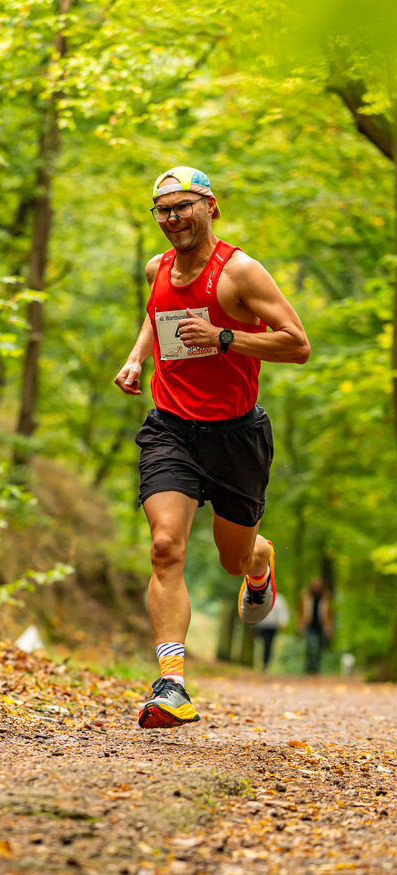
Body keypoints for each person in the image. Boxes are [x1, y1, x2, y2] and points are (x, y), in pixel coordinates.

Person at [114, 165, 310, 728]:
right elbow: (158, 316)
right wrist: (136, 357)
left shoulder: (240, 273)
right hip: (170, 428)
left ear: (210, 207)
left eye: (183, 206)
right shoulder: (157, 268)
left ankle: (259, 560)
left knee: (231, 558)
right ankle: (171, 684)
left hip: (236, 435)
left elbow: (297, 345)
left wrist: (227, 337)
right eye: (163, 210)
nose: (173, 218)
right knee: (165, 545)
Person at [297, 578, 334, 673]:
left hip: (322, 626)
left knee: (319, 649)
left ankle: (316, 670)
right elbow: (300, 611)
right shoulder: (306, 597)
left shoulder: (326, 598)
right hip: (309, 625)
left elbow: (330, 613)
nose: (317, 588)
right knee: (310, 647)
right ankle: (308, 669)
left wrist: (329, 627)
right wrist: (300, 624)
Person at [254, 592, 290, 670]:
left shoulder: (279, 599)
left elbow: (282, 612)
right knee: (260, 643)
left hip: (272, 627)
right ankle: (258, 661)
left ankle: (265, 663)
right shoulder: (260, 597)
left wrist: (283, 623)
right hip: (261, 625)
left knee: (268, 645)